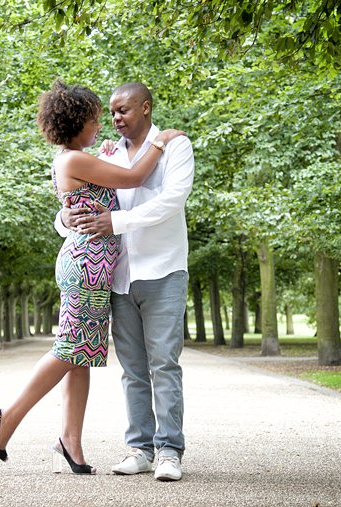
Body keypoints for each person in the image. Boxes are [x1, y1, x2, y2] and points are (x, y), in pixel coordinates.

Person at [0, 80, 185, 475]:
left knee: (82, 355)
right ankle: (8, 417)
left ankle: (69, 442)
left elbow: (81, 206)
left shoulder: (79, 159)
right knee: (70, 348)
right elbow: (136, 178)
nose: (101, 127)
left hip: (95, 265)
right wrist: (163, 141)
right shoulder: (73, 160)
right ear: (78, 122)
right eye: (95, 119)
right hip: (86, 266)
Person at [59, 82, 195, 482]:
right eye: (112, 113)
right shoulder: (107, 154)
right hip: (118, 276)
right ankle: (140, 448)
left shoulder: (174, 146)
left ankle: (170, 450)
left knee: (164, 364)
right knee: (132, 369)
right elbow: (78, 205)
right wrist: (63, 219)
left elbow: (172, 200)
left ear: (146, 108)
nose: (115, 119)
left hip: (164, 270)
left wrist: (115, 221)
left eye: (123, 110)